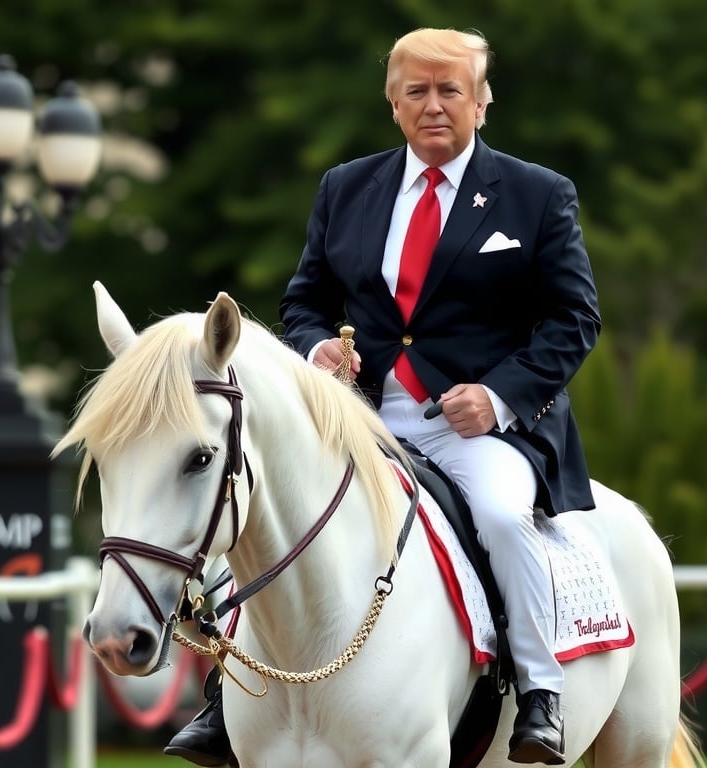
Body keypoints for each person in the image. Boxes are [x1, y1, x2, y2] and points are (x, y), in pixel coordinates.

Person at [166, 26, 600, 767]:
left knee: (499, 513)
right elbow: (303, 302)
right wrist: (314, 349)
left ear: (482, 101)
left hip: (479, 433)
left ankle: (538, 691)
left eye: (450, 90)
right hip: (358, 422)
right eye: (417, 92)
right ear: (393, 104)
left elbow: (574, 318)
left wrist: (497, 398)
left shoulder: (536, 195)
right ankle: (222, 698)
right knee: (263, 514)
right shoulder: (346, 188)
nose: (434, 106)